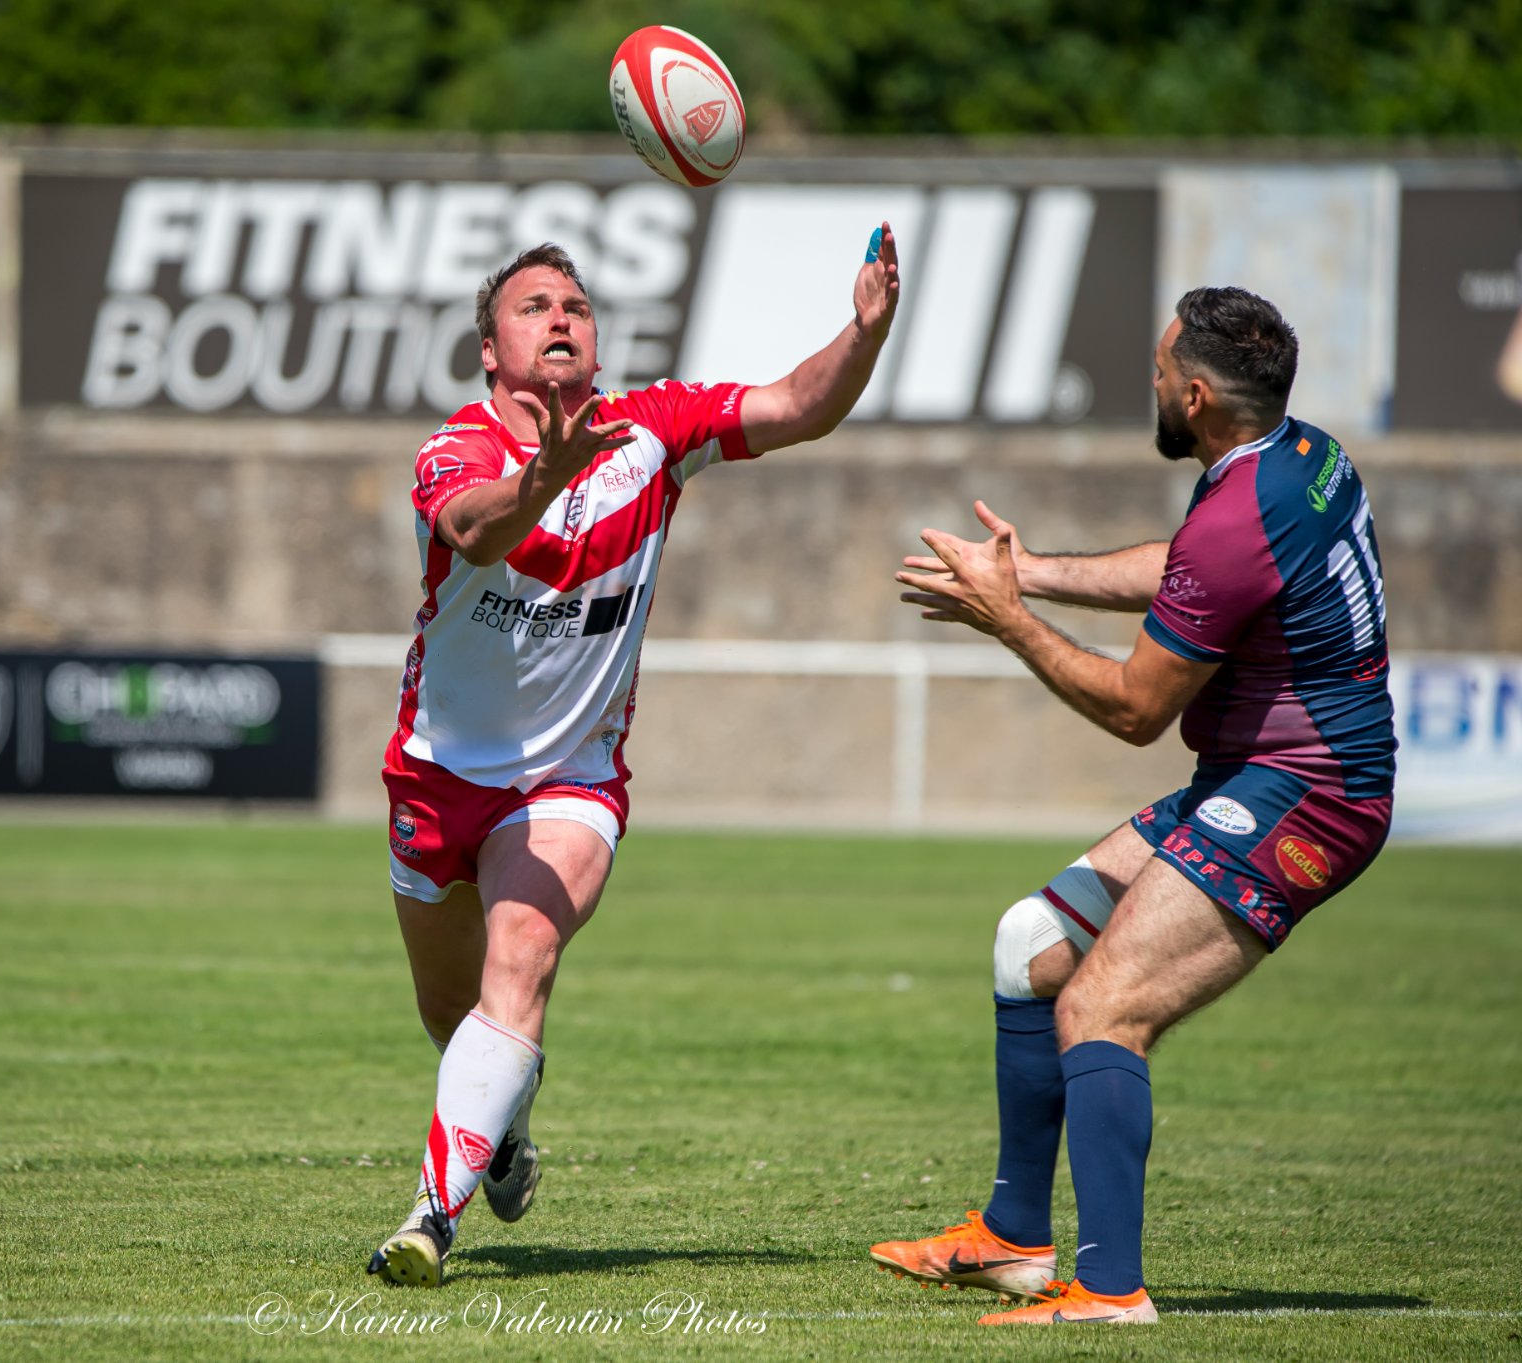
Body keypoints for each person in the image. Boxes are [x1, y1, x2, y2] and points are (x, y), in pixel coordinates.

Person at [367, 226, 902, 1286]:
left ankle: (430, 1218)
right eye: (532, 306)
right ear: (489, 349)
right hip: (436, 773)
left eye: (574, 305)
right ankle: (501, 1127)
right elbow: (474, 528)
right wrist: (540, 481)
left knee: (518, 955)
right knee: (450, 1009)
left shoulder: (650, 427)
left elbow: (797, 404)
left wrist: (864, 334)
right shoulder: (456, 447)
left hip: (569, 779)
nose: (559, 317)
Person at [879, 287, 1395, 1325]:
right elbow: (1185, 573)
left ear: (1194, 395)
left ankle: (1110, 1289)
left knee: (1100, 1006)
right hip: (1258, 777)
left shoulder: (1239, 514)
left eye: (1160, 371)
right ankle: (1015, 1237)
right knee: (1030, 944)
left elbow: (1131, 710)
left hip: (1309, 797)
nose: (1151, 382)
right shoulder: (1296, 457)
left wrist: (1005, 618)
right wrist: (1026, 570)